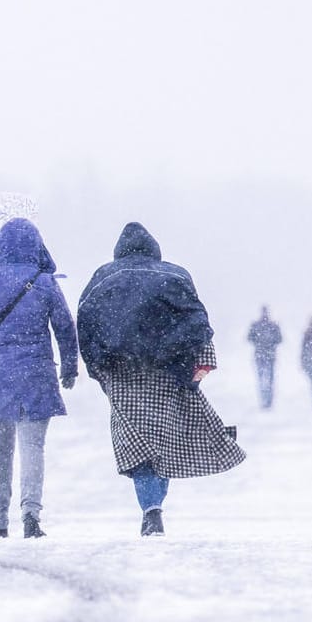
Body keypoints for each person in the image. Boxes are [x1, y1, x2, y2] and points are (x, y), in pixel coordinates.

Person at [76, 223, 244, 536]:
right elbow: (197, 321)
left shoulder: (102, 278)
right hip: (167, 369)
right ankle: (155, 506)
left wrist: (96, 367)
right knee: (162, 440)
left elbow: (85, 325)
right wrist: (202, 362)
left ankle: (150, 508)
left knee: (136, 441)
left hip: (121, 370)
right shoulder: (174, 275)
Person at [0, 218, 77, 539]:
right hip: (36, 373)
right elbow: (65, 328)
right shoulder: (45, 282)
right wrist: (69, 367)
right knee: (33, 447)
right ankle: (31, 514)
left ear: (0, 247)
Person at [246, 306, 282, 408]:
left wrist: (261, 342)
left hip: (263, 356)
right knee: (266, 380)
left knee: (265, 380)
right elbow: (279, 339)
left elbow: (249, 338)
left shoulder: (258, 325)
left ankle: (267, 401)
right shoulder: (272, 325)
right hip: (265, 356)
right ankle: (266, 400)